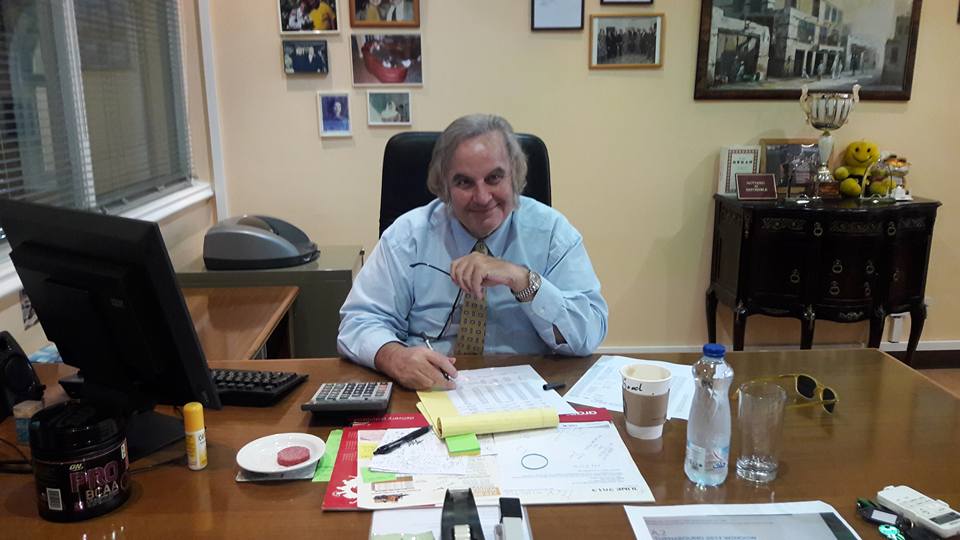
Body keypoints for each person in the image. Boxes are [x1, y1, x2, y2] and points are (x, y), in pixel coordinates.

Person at [338, 114, 608, 390]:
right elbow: (358, 322)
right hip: (429, 389)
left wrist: (522, 279)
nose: (482, 197)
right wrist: (394, 357)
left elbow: (587, 335)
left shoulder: (552, 233)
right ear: (444, 186)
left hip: (527, 391)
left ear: (515, 176)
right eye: (464, 182)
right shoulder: (408, 236)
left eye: (494, 178)